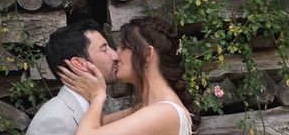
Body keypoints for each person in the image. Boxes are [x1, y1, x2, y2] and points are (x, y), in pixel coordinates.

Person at [58, 16, 195, 135]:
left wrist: (97, 96)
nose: (116, 55)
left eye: (123, 48)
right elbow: (99, 124)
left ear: (147, 55)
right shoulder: (145, 107)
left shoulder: (164, 112)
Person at [26, 19, 119, 135]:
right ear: (79, 63)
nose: (115, 56)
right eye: (104, 50)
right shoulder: (57, 120)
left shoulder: (88, 105)